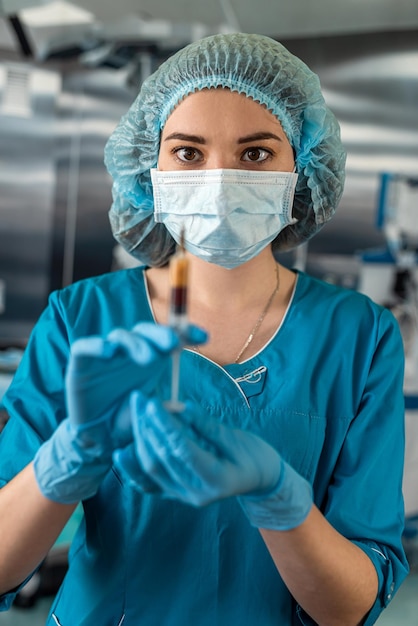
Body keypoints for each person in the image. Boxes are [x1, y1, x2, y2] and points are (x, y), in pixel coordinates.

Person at [0, 33, 409, 626]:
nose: (218, 181)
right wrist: (69, 458)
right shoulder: (80, 320)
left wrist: (280, 499)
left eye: (255, 154)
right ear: (151, 167)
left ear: (301, 172)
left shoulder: (358, 337)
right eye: (189, 153)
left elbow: (350, 607)